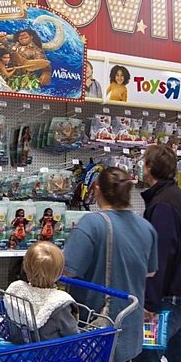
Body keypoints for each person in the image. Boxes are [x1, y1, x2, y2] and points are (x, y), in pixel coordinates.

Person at [64, 167, 158, 362]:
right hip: (130, 331)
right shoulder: (147, 227)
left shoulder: (91, 224)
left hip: (95, 330)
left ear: (97, 189)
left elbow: (67, 271)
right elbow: (150, 273)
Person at [134, 145, 181, 362]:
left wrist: (149, 303)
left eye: (143, 162)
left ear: (150, 167)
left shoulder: (163, 204)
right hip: (175, 294)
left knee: (147, 354)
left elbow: (161, 255)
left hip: (168, 298)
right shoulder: (173, 197)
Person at [5, 242, 78, 342]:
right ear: (59, 273)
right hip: (52, 351)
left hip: (19, 347)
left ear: (25, 268)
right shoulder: (60, 303)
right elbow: (72, 335)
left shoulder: (16, 294)